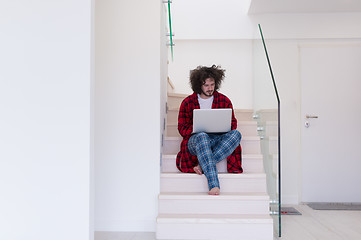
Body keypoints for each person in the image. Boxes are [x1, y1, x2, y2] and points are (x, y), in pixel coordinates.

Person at [176, 65, 243, 195]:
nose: (210, 88)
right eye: (206, 85)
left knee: (236, 134)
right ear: (199, 85)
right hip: (196, 141)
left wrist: (222, 126)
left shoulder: (224, 100)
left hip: (217, 139)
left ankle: (202, 165)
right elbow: (181, 128)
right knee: (202, 136)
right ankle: (214, 185)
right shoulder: (187, 102)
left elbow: (233, 124)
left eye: (212, 84)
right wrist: (195, 128)